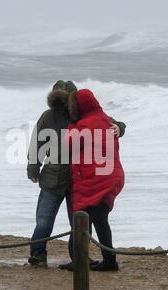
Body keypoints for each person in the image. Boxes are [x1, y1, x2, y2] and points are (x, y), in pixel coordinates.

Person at [27, 80, 126, 267]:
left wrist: (119, 127)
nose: (64, 104)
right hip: (60, 178)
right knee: (47, 221)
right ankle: (39, 255)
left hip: (77, 180)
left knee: (78, 224)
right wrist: (33, 167)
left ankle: (77, 259)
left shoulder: (82, 116)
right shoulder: (49, 116)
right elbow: (37, 143)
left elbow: (111, 123)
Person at [65, 89, 125, 271]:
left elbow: (69, 144)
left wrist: (71, 125)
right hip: (110, 176)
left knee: (88, 220)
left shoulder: (84, 125)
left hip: (97, 180)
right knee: (97, 219)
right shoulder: (106, 119)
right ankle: (106, 259)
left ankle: (106, 261)